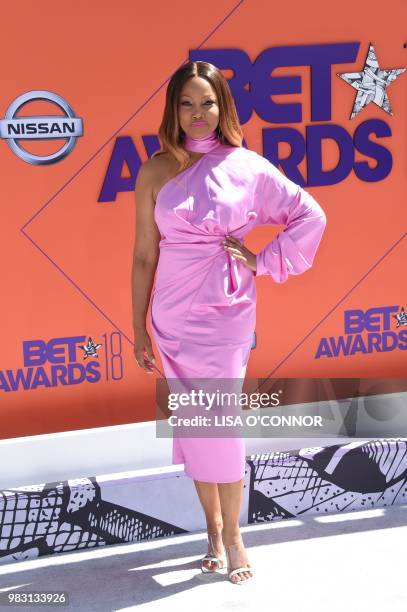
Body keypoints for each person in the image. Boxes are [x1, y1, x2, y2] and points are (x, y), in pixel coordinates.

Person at [132, 61, 327, 584]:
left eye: (208, 102)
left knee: (221, 425)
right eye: (187, 103)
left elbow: (311, 215)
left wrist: (262, 261)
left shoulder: (247, 166)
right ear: (174, 109)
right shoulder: (153, 171)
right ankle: (213, 532)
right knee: (199, 426)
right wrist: (137, 327)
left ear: (224, 108)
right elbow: (144, 256)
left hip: (226, 313)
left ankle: (236, 535)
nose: (198, 114)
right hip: (171, 317)